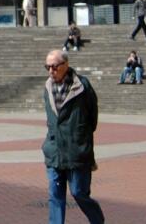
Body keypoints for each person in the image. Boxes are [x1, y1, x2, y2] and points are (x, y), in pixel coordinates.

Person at [43, 49, 104, 223]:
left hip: (77, 151)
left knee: (79, 192)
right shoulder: (47, 87)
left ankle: (97, 219)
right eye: (47, 67)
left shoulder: (82, 86)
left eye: (54, 67)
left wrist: (81, 135)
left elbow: (93, 117)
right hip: (54, 151)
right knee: (55, 196)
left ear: (66, 65)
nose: (50, 71)